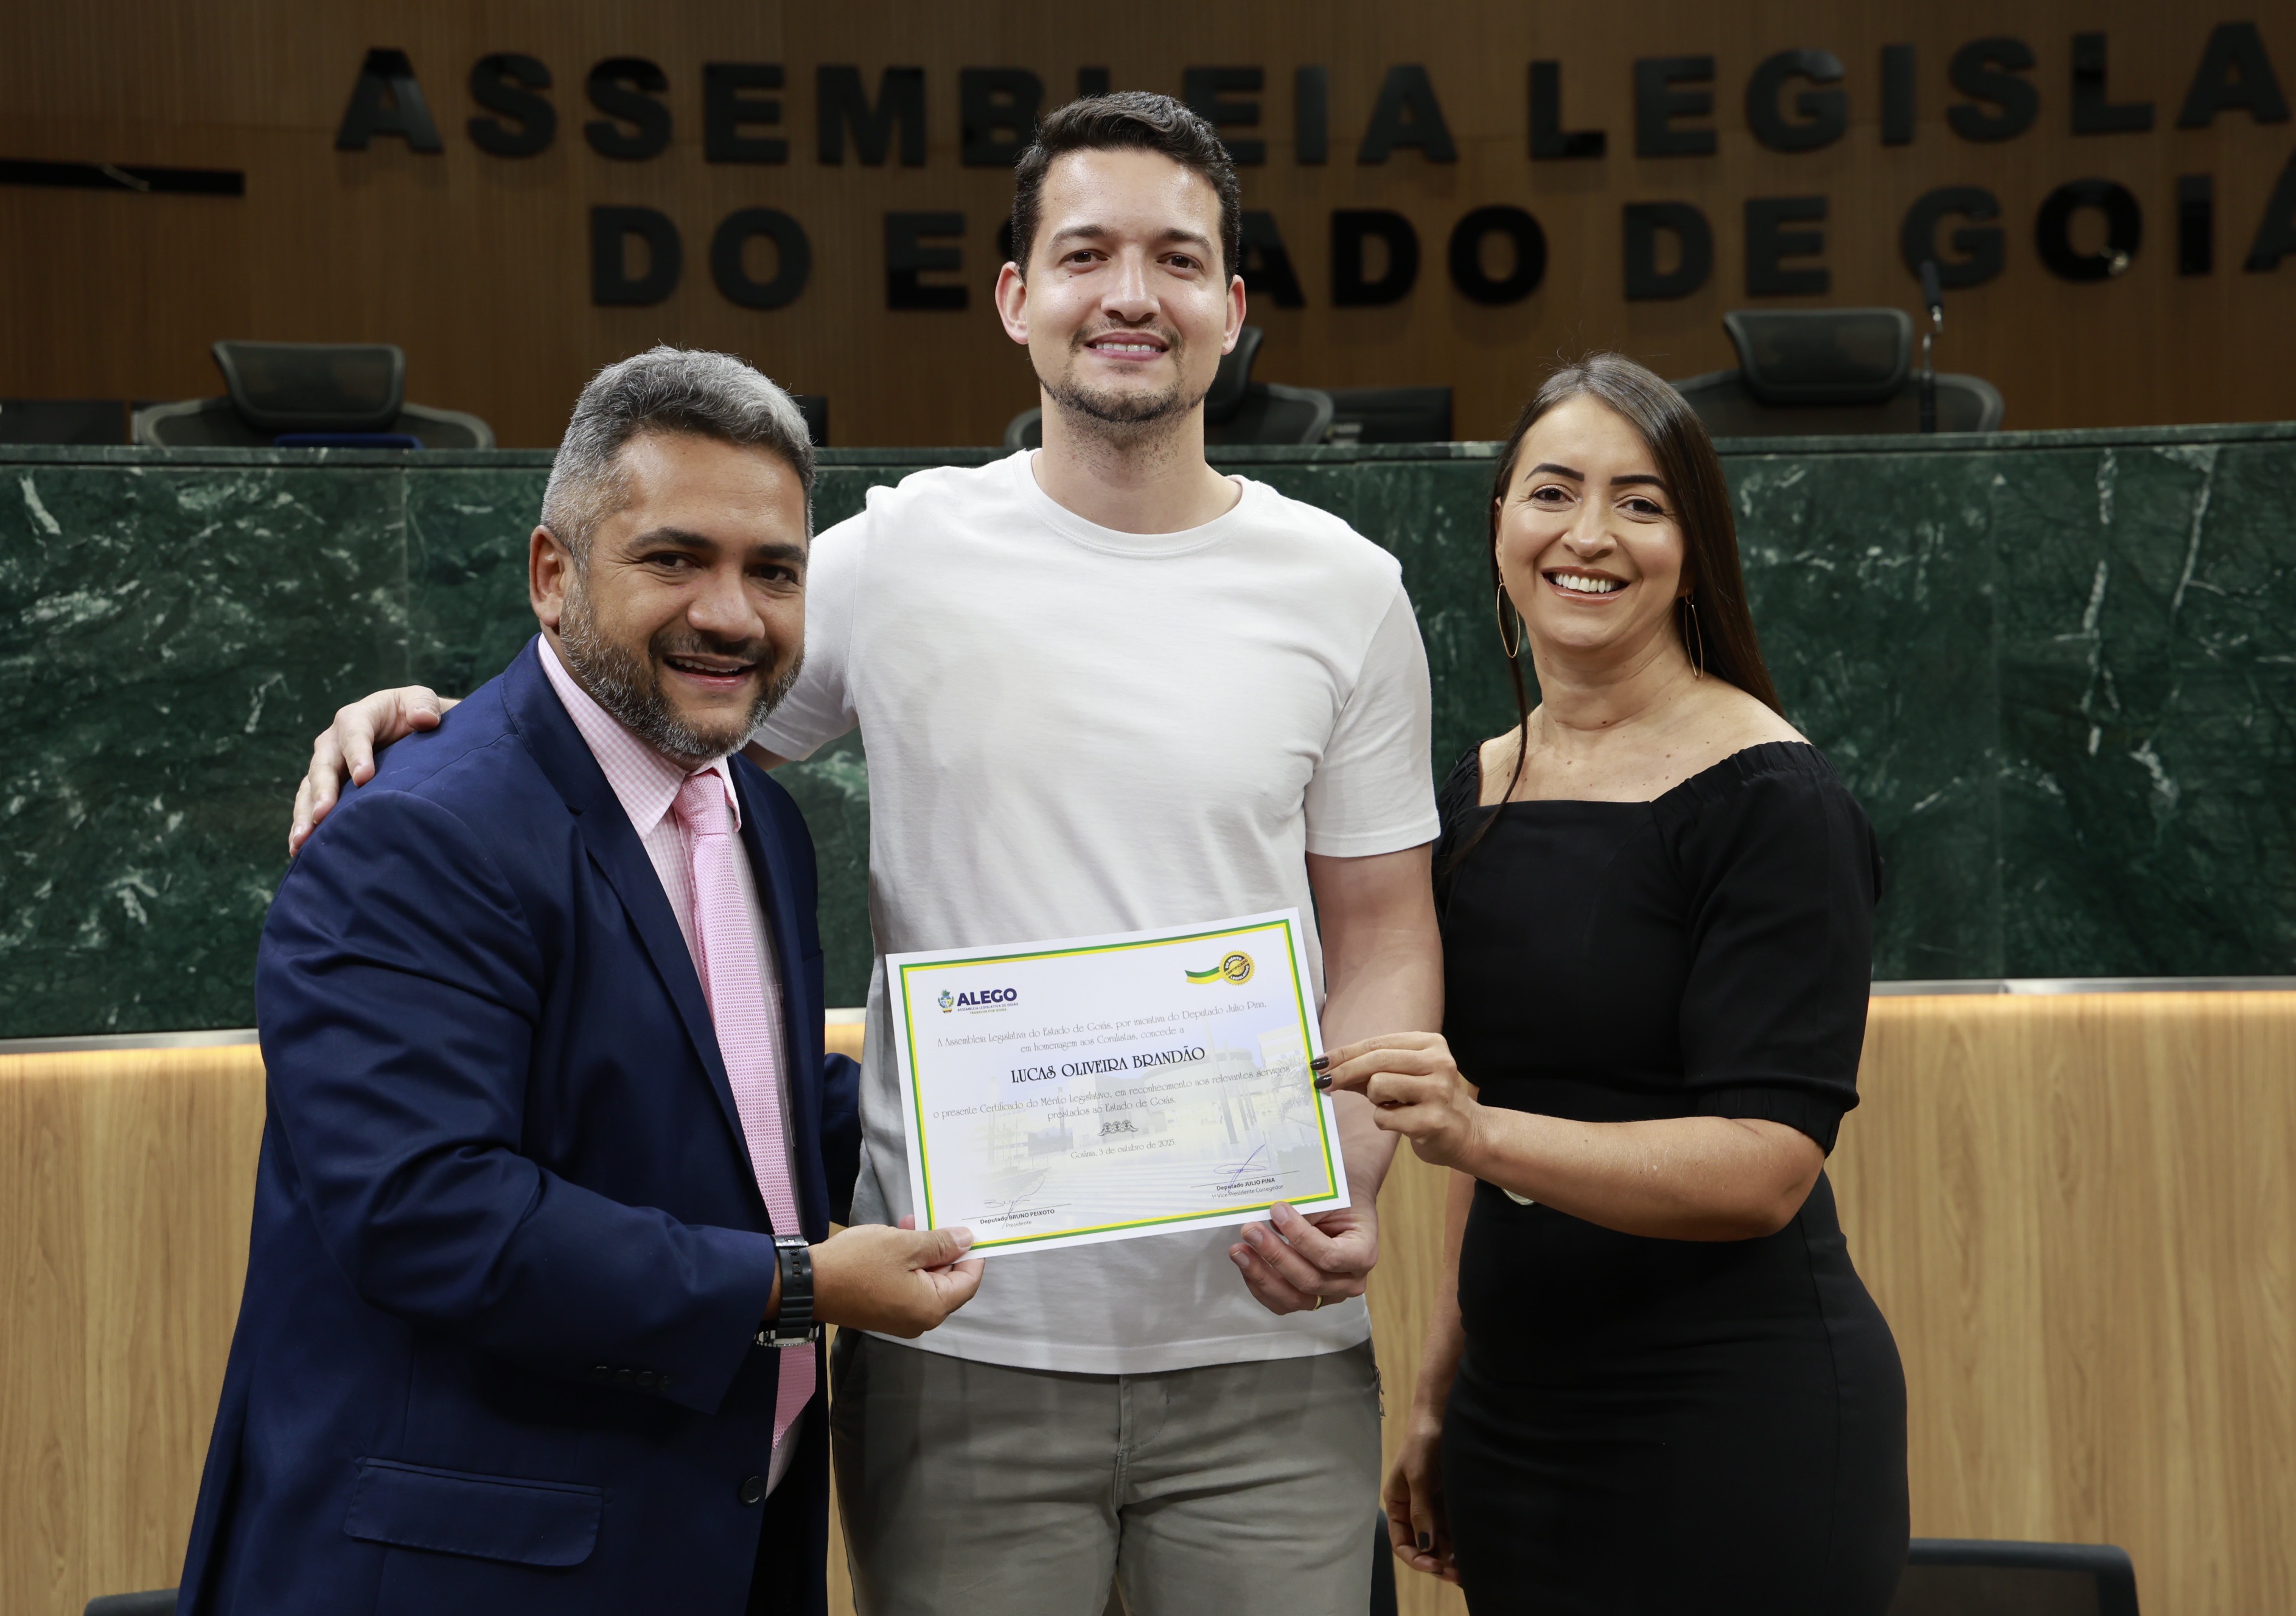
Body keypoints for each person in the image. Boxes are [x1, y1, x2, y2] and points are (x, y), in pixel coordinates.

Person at [287, 94, 1442, 1616]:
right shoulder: (893, 557)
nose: (1131, 294)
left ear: (1233, 307)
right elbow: (651, 694)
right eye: (1084, 253)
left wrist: (1350, 1173)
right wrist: (440, 721)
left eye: (1177, 258)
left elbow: (1385, 933)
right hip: (956, 1333)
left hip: (1264, 1339)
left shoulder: (1347, 587)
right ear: (1016, 297)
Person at [181, 349, 982, 1616]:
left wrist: (1034, 1114)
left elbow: (728, 1108)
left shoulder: (754, 816)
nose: (733, 613)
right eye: (675, 558)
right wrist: (797, 1285)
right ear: (553, 574)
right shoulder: (417, 831)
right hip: (465, 1571)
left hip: (713, 1540)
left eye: (774, 571)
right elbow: (427, 1209)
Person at [1321, 354, 1910, 1612]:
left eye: (1641, 503)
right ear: (1501, 526)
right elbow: (1502, 1119)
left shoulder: (1777, 800)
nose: (1588, 535)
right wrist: (1439, 1391)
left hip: (1735, 1420)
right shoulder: (1479, 784)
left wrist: (1479, 1129)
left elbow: (1764, 1168)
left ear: (1693, 552)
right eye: (1554, 492)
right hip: (1516, 1420)